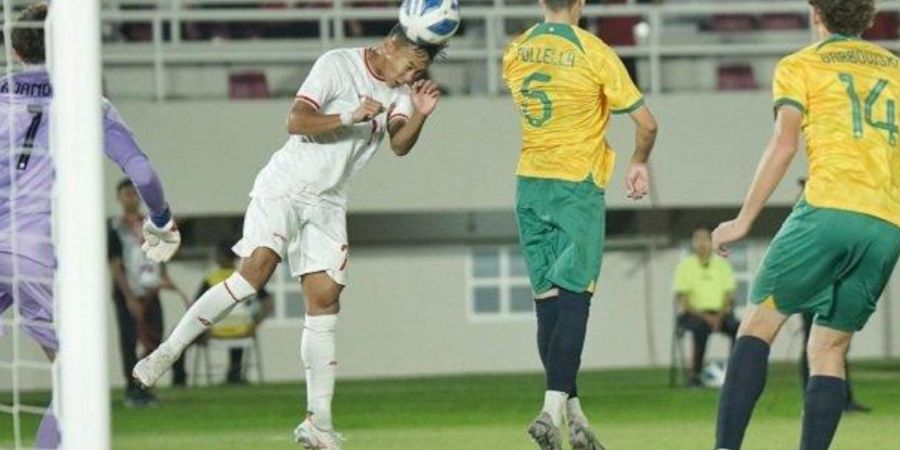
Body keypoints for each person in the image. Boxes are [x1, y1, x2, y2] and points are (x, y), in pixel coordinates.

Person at [133, 23, 445, 450]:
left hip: (329, 201)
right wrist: (349, 115)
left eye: (418, 71)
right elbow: (295, 120)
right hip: (286, 185)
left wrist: (421, 115)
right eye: (410, 65)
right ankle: (167, 352)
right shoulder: (337, 64)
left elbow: (399, 144)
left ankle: (318, 422)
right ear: (390, 46)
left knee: (325, 300)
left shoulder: (400, 92)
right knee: (253, 276)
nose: (411, 76)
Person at [710, 1, 900, 449]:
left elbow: (784, 144)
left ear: (816, 12)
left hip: (828, 207)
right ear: (868, 17)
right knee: (829, 349)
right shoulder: (895, 68)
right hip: (886, 224)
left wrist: (743, 219)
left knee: (758, 326)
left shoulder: (802, 65)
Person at [0, 3, 180, 448]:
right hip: (36, 250)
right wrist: (159, 218)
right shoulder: (86, 102)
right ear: (71, 44)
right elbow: (142, 174)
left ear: (15, 49)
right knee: (74, 378)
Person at [502, 1, 659, 449]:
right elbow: (647, 123)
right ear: (581, 4)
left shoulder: (516, 50)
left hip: (530, 182)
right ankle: (551, 408)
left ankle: (573, 414)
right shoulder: (595, 51)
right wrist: (638, 161)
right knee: (575, 297)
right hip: (576, 185)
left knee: (547, 303)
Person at [109, 179, 184, 406]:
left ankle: (145, 383)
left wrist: (165, 277)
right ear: (119, 198)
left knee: (155, 336)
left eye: (134, 194)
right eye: (127, 194)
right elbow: (114, 263)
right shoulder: (114, 227)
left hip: (151, 290)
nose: (131, 198)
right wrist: (129, 298)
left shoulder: (150, 223)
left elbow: (160, 253)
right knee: (130, 340)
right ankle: (132, 390)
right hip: (127, 293)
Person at [171, 241, 273, 386]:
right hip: (242, 331)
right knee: (237, 323)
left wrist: (204, 328)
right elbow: (268, 302)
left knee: (177, 333)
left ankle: (179, 380)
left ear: (219, 257)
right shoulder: (245, 278)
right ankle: (235, 374)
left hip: (214, 331)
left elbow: (196, 309)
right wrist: (255, 325)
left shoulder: (211, 279)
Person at [674, 226, 740, 387]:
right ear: (692, 242)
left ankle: (736, 373)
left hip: (720, 314)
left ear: (712, 242)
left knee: (738, 328)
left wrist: (719, 316)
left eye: (706, 239)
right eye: (697, 239)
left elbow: (728, 297)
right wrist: (707, 318)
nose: (702, 243)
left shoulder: (722, 265)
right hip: (694, 315)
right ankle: (695, 375)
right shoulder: (685, 266)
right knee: (700, 329)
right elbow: (684, 301)